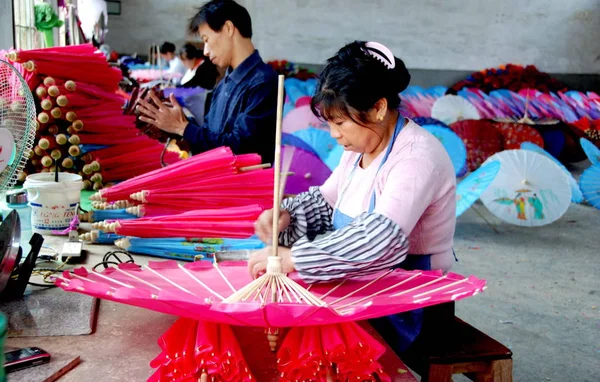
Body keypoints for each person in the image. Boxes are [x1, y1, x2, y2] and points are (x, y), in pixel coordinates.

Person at [249, 41, 457, 354]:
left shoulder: (416, 157)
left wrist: (295, 258)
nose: (334, 133)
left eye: (340, 122)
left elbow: (380, 239)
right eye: (329, 123)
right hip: (366, 288)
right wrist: (286, 216)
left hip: (411, 307)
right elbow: (326, 202)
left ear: (378, 108)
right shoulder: (361, 147)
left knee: (305, 341)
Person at [137, 0, 278, 164]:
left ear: (228, 29)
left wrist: (183, 128)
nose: (205, 51)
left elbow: (243, 148)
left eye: (206, 39)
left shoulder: (264, 82)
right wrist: (180, 131)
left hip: (241, 189)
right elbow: (211, 135)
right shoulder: (222, 85)